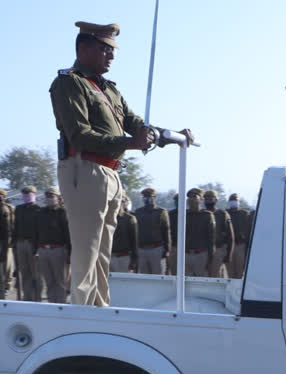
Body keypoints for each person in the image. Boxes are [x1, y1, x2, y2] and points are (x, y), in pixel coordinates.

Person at [49, 21, 192, 306]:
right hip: (84, 168)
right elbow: (80, 135)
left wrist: (168, 135)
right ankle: (82, 313)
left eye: (113, 50)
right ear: (84, 48)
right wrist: (130, 142)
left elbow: (134, 122)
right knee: (87, 249)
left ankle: (99, 309)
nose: (111, 56)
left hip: (110, 173)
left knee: (103, 252)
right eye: (105, 49)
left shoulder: (109, 90)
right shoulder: (69, 83)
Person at [35, 188, 71, 303]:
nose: (49, 198)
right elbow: (36, 232)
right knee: (49, 280)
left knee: (60, 280)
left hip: (58, 250)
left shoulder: (63, 212)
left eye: (51, 196)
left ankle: (61, 303)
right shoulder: (41, 212)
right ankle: (51, 302)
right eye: (47, 196)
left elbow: (68, 234)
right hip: (43, 250)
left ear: (58, 198)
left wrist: (69, 253)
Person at [12, 186, 41, 301]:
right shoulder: (19, 209)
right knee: (24, 273)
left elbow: (39, 230)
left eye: (29, 193)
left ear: (34, 194)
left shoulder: (38, 209)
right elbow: (15, 226)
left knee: (36, 273)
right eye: (24, 194)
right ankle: (27, 297)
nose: (26, 195)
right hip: (20, 243)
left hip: (32, 244)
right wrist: (14, 243)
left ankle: (37, 298)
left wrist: (37, 247)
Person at [134, 188, 170, 274]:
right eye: (144, 197)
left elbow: (166, 231)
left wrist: (167, 249)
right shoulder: (138, 212)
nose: (146, 199)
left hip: (156, 248)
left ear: (154, 197)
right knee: (143, 278)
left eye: (149, 197)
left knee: (159, 276)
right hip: (141, 249)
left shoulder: (161, 212)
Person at [184, 189, 215, 277]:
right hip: (186, 254)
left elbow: (211, 237)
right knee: (185, 283)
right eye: (189, 197)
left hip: (201, 254)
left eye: (194, 197)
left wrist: (210, 256)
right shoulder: (183, 215)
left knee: (201, 282)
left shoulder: (207, 215)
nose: (191, 199)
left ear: (201, 199)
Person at [203, 190, 234, 277]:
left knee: (216, 276)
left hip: (218, 250)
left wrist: (228, 254)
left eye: (211, 199)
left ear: (216, 200)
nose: (208, 201)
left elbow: (230, 236)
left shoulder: (223, 214)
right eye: (206, 199)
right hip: (203, 251)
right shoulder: (202, 214)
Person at [110, 194, 138, 272]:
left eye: (121, 201)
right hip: (109, 257)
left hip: (124, 258)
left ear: (124, 203)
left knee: (124, 283)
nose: (118, 203)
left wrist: (134, 260)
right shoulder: (107, 218)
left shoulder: (130, 219)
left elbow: (134, 242)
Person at [226, 193, 250, 279]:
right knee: (229, 271)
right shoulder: (225, 213)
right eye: (232, 200)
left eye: (235, 200)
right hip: (228, 246)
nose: (234, 202)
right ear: (229, 202)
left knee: (240, 271)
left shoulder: (244, 213)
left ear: (239, 201)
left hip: (240, 246)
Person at [0, 191, 11, 299]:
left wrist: (5, 249)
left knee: (2, 273)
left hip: (2, 243)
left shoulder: (5, 209)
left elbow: (7, 230)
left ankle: (2, 295)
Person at [167, 193, 179, 275]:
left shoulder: (188, 213)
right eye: (176, 200)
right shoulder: (170, 214)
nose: (177, 202)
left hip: (186, 248)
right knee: (173, 271)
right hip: (173, 246)